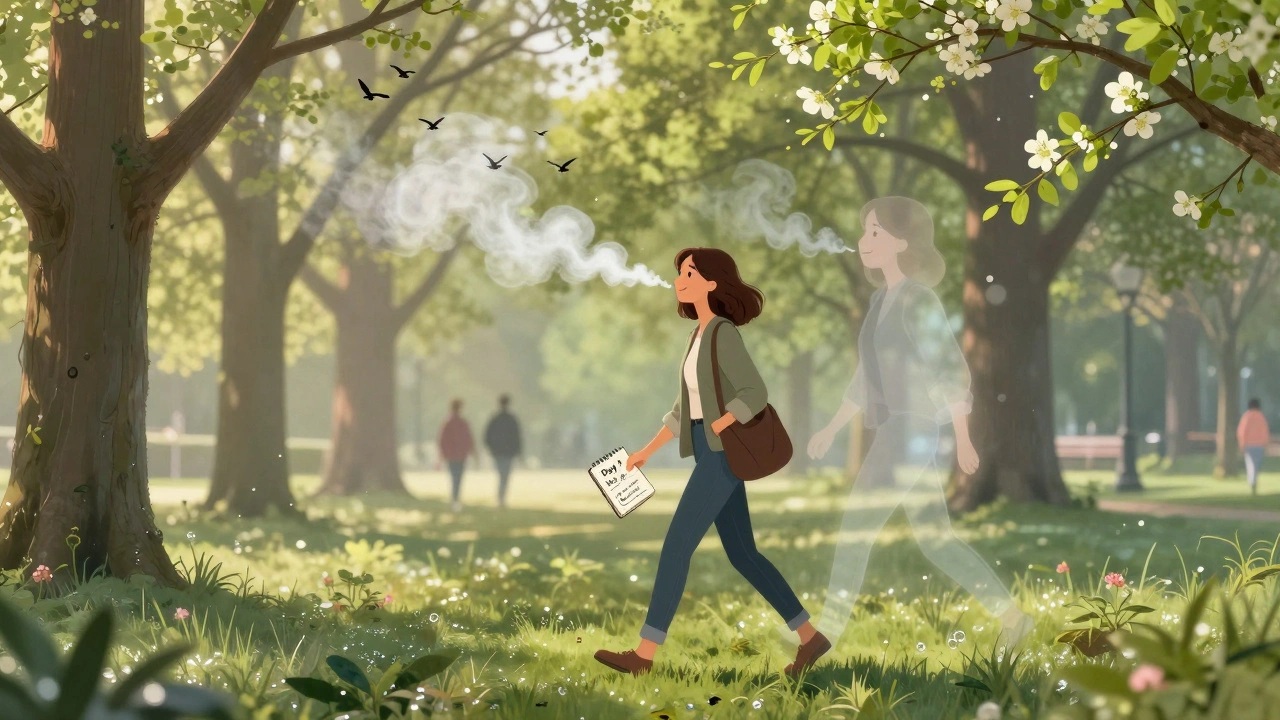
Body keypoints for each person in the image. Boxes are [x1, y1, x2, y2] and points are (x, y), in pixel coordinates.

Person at [806, 196, 1032, 649]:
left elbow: (949, 369)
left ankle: (823, 634)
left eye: (875, 232)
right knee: (936, 540)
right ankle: (1013, 617)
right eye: (864, 231)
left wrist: (963, 439)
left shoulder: (919, 300)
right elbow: (864, 378)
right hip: (895, 428)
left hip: (912, 428)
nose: (864, 240)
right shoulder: (878, 301)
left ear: (902, 242)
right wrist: (831, 428)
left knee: (855, 534)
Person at [594, 247, 828, 678]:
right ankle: (810, 637)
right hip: (708, 447)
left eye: (689, 273)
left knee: (677, 545)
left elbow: (755, 391)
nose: (679, 280)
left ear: (712, 283)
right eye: (679, 273)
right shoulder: (697, 336)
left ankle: (644, 655)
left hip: (721, 451)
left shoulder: (722, 333)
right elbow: (682, 409)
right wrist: (646, 451)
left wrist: (723, 421)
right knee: (743, 554)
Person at [484, 395, 523, 509]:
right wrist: (518, 451)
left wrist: (491, 448)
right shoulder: (511, 419)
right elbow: (517, 437)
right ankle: (501, 498)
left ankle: (501, 498)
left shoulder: (495, 419)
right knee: (504, 475)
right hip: (507, 452)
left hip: (498, 452)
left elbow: (487, 436)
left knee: (502, 474)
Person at [437, 399, 474, 512]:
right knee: (458, 478)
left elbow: (442, 440)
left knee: (454, 477)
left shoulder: (448, 422)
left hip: (452, 455)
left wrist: (443, 454)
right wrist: (471, 451)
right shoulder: (462, 423)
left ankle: (455, 499)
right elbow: (468, 439)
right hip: (460, 455)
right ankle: (455, 499)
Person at [1239, 398, 1271, 495]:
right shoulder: (1261, 416)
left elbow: (1242, 431)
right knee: (1256, 465)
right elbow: (1265, 432)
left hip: (1249, 445)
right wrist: (1266, 444)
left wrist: (1242, 444)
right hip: (1260, 445)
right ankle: (1254, 480)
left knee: (1250, 464)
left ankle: (1252, 481)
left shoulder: (1246, 416)